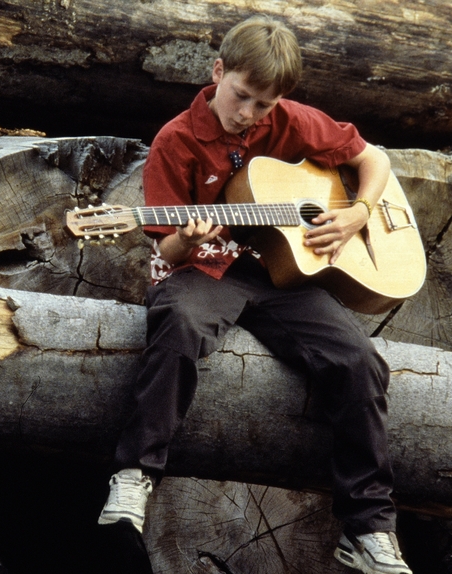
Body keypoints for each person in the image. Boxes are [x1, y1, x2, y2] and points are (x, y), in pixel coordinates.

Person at [97, 15, 412, 574]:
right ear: (219, 71)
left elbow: (373, 158)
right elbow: (165, 251)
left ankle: (368, 530)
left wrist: (356, 214)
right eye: (241, 96)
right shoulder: (176, 140)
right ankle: (133, 479)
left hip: (283, 276)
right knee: (179, 324)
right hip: (205, 271)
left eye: (262, 106)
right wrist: (186, 238)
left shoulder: (291, 121)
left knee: (359, 359)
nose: (248, 114)